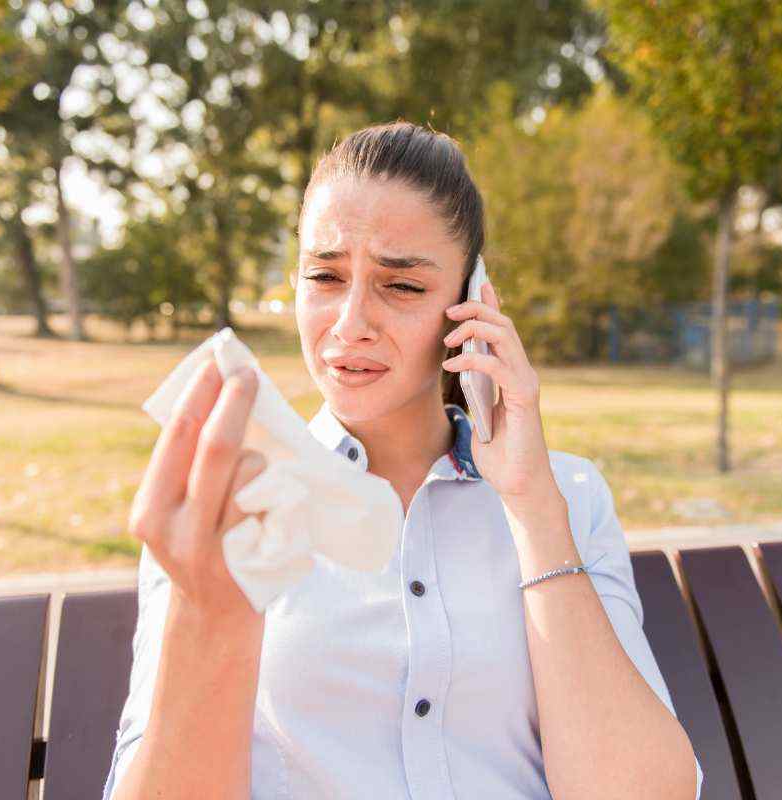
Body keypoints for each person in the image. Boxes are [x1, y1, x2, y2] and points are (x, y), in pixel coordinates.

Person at [103, 121, 703, 799]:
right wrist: (211, 612)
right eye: (325, 275)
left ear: (471, 304)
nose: (350, 321)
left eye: (403, 286)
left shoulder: (566, 494)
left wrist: (533, 508)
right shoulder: (222, 506)